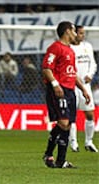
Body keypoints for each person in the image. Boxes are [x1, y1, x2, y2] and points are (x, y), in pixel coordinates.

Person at [41, 21, 91, 169]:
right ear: (67, 31)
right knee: (63, 123)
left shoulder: (70, 50)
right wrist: (55, 84)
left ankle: (59, 160)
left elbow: (72, 73)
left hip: (70, 91)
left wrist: (83, 89)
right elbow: (46, 68)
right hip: (59, 89)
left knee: (67, 125)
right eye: (74, 31)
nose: (76, 34)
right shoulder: (55, 48)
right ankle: (49, 154)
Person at [69, 25, 98, 152]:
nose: (83, 35)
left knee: (90, 114)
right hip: (72, 85)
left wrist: (90, 75)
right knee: (72, 116)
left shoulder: (87, 47)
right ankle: (73, 142)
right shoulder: (68, 48)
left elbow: (93, 63)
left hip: (85, 85)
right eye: (80, 33)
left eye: (83, 33)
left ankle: (89, 141)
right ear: (74, 33)